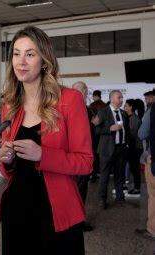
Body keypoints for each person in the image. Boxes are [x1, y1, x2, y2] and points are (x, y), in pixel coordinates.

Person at [0, 26, 93, 254]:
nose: (21, 61)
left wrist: (43, 154)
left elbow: (86, 162)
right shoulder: (10, 106)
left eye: (30, 54)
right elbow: (7, 170)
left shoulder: (70, 100)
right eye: (16, 54)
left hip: (56, 211)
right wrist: (6, 159)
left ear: (45, 61)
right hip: (17, 208)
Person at [96, 90, 130, 209]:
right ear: (111, 99)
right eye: (119, 97)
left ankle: (120, 198)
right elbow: (97, 130)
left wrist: (127, 144)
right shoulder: (102, 112)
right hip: (106, 150)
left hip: (121, 148)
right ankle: (102, 199)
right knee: (104, 175)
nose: (121, 100)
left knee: (119, 175)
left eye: (122, 97)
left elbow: (128, 131)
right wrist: (110, 128)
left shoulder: (124, 113)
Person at [72, 81, 94, 232]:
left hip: (73, 157)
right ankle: (77, 222)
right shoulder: (80, 108)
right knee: (79, 190)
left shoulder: (69, 107)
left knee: (76, 188)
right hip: (78, 157)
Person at [136, 103, 155, 240]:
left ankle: (153, 229)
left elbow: (142, 133)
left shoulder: (152, 109)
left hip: (153, 158)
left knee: (153, 195)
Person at [123, 99, 143, 196]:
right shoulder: (128, 117)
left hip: (135, 147)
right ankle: (132, 187)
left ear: (131, 107)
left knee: (135, 168)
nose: (124, 107)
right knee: (132, 167)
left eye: (126, 105)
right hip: (131, 147)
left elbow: (132, 134)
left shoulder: (134, 119)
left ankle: (137, 188)